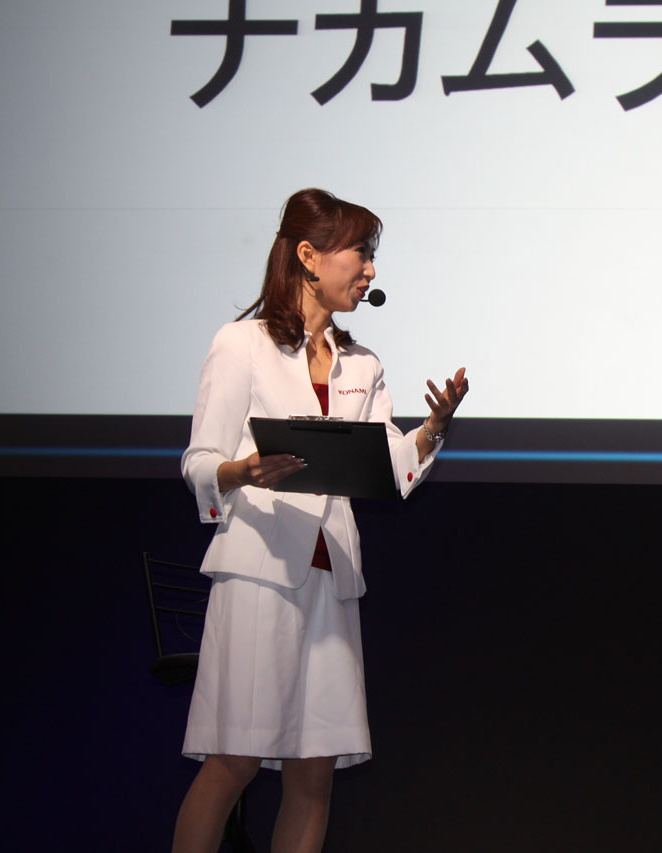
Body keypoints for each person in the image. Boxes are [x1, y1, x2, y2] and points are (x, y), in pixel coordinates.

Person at [175, 188, 469, 852]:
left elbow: (389, 467)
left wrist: (432, 429)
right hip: (260, 574)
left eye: (371, 256)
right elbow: (199, 460)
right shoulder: (241, 345)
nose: (370, 270)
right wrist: (242, 470)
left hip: (330, 577)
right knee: (234, 760)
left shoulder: (362, 364)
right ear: (308, 256)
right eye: (360, 253)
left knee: (314, 773)